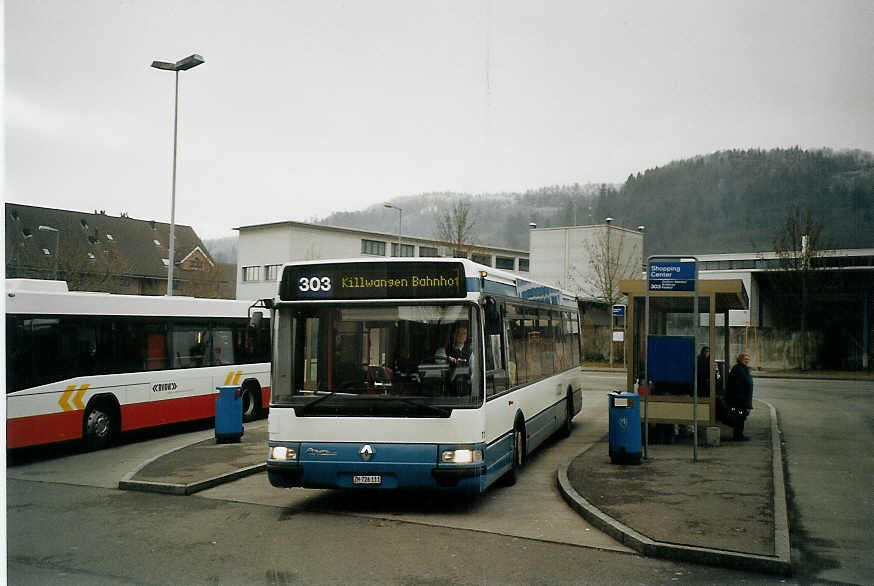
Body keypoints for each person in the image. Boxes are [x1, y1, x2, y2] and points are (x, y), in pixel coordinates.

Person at [725, 352, 754, 441]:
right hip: (739, 400)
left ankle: (739, 435)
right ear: (740, 359)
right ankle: (738, 436)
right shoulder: (739, 369)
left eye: (748, 359)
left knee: (741, 418)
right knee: (739, 417)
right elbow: (740, 385)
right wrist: (742, 399)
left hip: (741, 399)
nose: (747, 361)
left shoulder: (742, 368)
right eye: (745, 359)